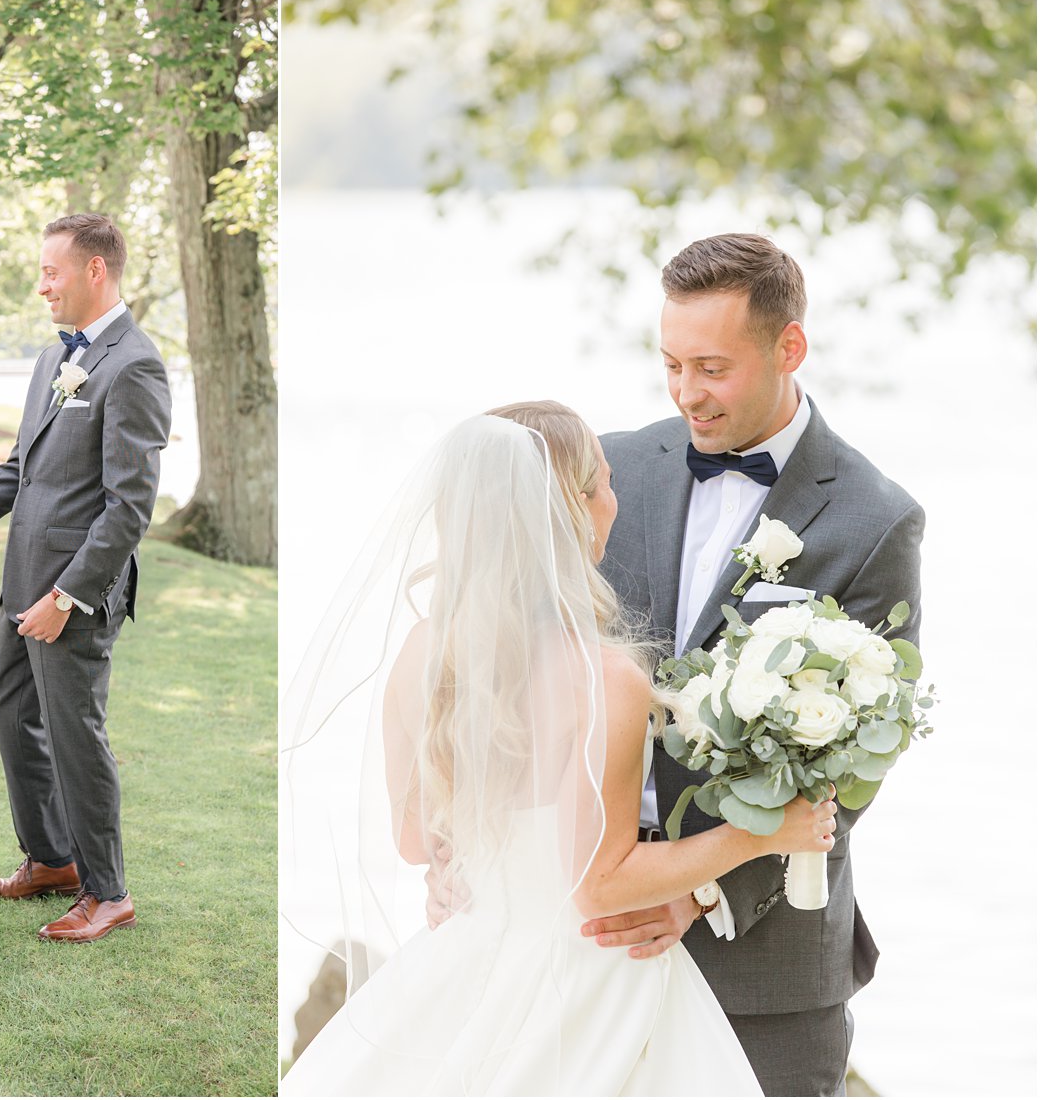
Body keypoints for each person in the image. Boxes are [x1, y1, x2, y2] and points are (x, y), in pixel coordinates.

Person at [281, 407, 835, 1095]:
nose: (616, 500)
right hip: (594, 978)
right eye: (602, 484)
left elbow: (415, 840)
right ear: (569, 512)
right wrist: (762, 835)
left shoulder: (424, 653)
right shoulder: (604, 681)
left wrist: (474, 858)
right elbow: (598, 883)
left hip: (472, 955)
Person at [583, 234, 925, 1095]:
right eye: (670, 365)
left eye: (712, 367)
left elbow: (862, 756)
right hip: (591, 926)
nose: (688, 395)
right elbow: (527, 661)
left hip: (763, 962)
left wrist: (698, 891)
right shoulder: (611, 467)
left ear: (789, 348)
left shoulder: (874, 518)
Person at [0, 213, 172, 943]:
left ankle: (108, 891)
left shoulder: (135, 365)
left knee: (74, 733)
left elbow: (129, 509)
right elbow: (22, 469)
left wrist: (67, 597)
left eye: (51, 271)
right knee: (9, 713)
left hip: (73, 595)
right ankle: (51, 859)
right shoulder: (52, 361)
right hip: (20, 579)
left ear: (96, 272)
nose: (41, 285)